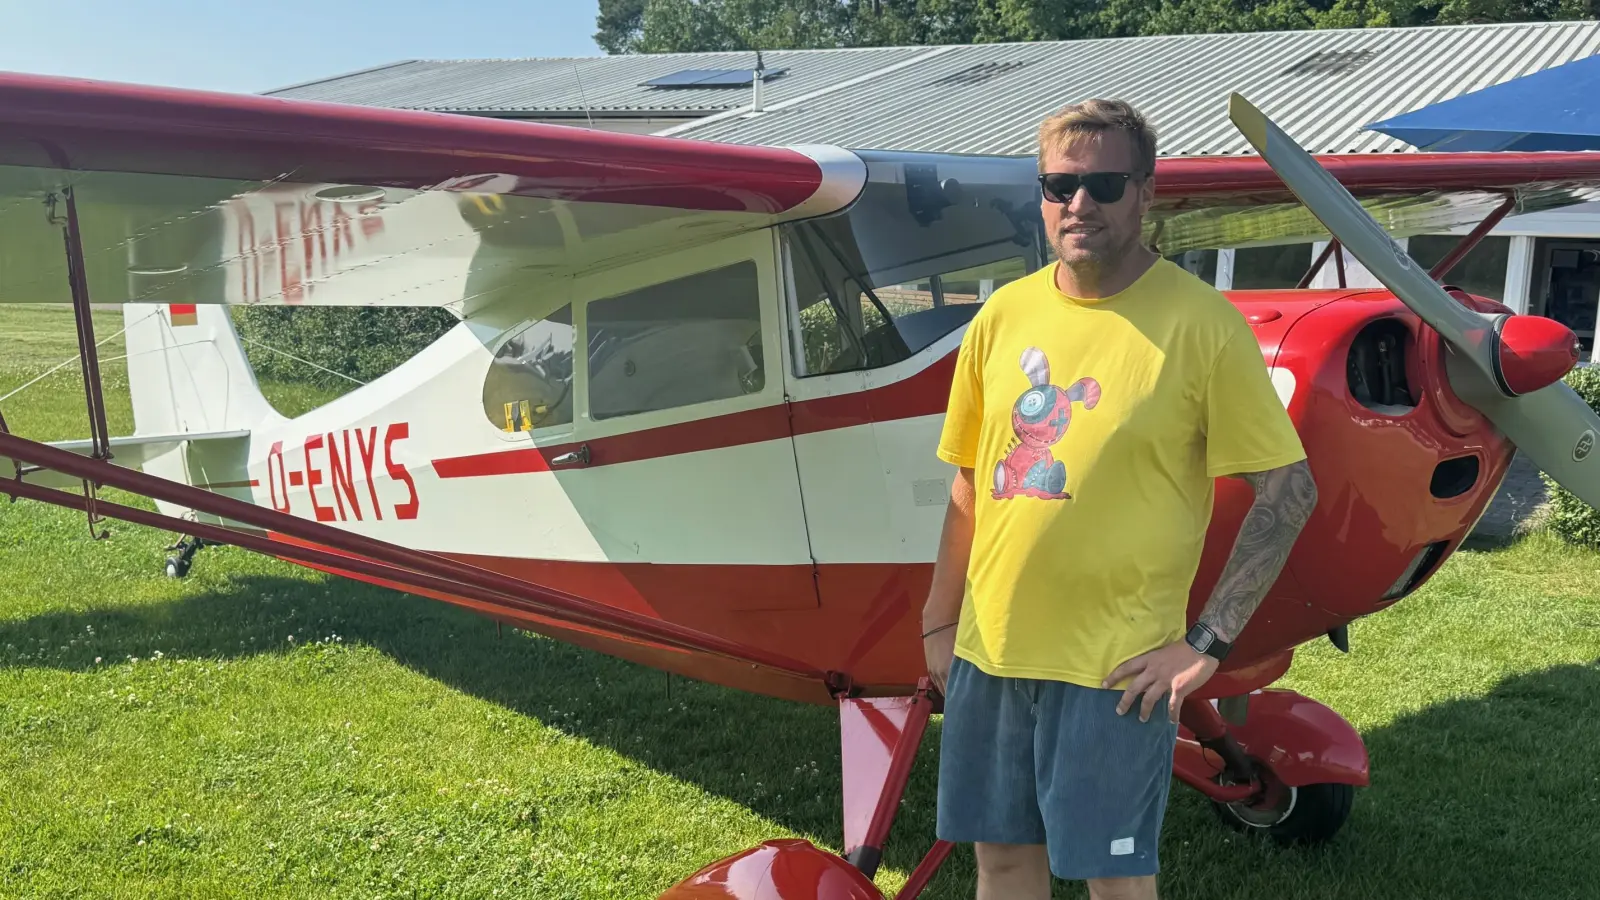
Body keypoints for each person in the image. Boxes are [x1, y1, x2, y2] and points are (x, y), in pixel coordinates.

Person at [921, 98, 1319, 900]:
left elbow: (1291, 486)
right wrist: (939, 620)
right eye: (1059, 184)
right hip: (990, 652)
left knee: (1116, 879)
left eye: (1104, 183)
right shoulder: (1003, 314)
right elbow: (970, 479)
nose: (1079, 204)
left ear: (1146, 192)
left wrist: (1206, 643)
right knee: (999, 863)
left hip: (1116, 669)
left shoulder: (1201, 325)